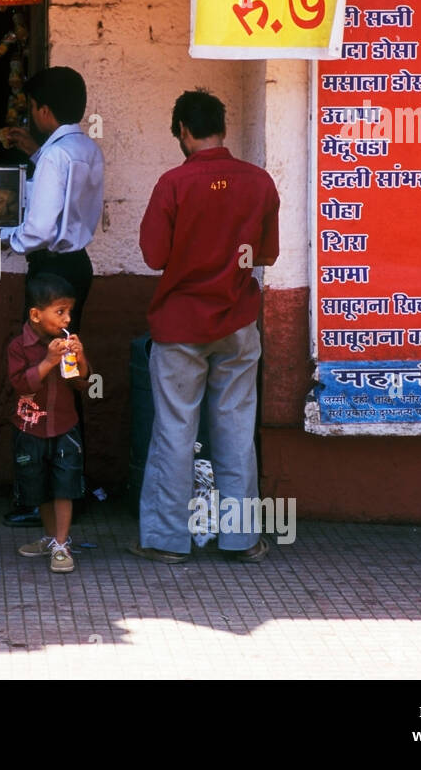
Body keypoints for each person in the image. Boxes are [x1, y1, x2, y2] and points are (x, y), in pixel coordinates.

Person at [132, 89, 280, 565]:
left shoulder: (173, 184)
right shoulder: (259, 182)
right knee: (236, 429)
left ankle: (167, 540)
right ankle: (241, 539)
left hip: (180, 325)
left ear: (182, 131)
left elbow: (153, 255)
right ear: (222, 127)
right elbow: (268, 254)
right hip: (238, 321)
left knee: (175, 430)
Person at [0, 66, 104, 527]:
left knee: (37, 376)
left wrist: (7, 236)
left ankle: (40, 495)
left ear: (43, 110)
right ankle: (69, 487)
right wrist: (34, 151)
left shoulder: (55, 157)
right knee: (69, 371)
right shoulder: (84, 147)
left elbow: (39, 229)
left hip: (51, 270)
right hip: (77, 264)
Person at [6, 273, 93, 574]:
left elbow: (83, 382)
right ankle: (50, 537)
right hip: (30, 429)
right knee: (39, 486)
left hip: (64, 427)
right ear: (35, 314)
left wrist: (79, 359)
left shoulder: (67, 342)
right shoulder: (19, 346)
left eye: (69, 311)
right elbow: (20, 383)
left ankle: (62, 542)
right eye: (60, 311)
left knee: (64, 486)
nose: (68, 317)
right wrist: (47, 361)